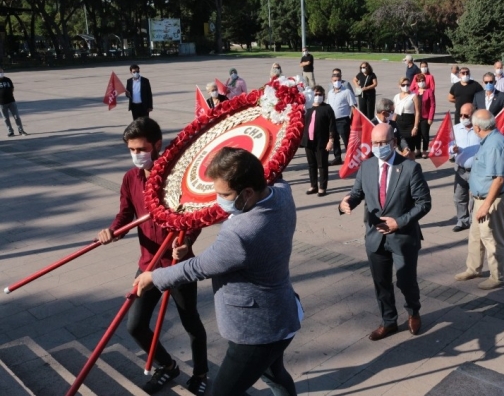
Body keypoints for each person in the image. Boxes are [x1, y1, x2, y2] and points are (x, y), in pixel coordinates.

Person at [134, 148, 302, 396]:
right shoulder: (281, 194)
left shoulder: (241, 233)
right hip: (282, 314)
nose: (219, 200)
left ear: (247, 192)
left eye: (224, 194)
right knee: (275, 375)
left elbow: (198, 267)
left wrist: (153, 277)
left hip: (256, 330)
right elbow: (275, 174)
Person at [97, 118, 208, 394]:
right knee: (135, 325)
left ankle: (201, 372)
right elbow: (125, 214)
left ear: (156, 144)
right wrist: (113, 231)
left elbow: (195, 215)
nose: (136, 154)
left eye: (140, 148)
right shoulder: (130, 178)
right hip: (148, 264)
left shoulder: (175, 176)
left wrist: (187, 242)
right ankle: (168, 366)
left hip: (179, 265)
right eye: (131, 150)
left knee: (190, 322)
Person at [338, 123, 432, 341]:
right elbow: (357, 192)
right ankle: (388, 321)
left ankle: (413, 312)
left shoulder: (410, 168)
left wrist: (399, 222)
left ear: (394, 143)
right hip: (375, 237)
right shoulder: (367, 166)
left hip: (402, 237)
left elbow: (424, 203)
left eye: (383, 143)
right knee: (381, 282)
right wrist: (346, 204)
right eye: (375, 143)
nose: (378, 147)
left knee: (406, 281)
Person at [454, 109, 504, 290]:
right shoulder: (489, 140)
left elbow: (499, 179)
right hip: (481, 198)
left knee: (492, 239)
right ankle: (474, 268)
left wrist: (486, 205)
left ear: (478, 128)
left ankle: (497, 276)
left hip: (491, 200)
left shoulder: (494, 144)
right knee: (476, 236)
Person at [449, 103, 481, 232]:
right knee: (459, 197)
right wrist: (452, 149)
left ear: (473, 115)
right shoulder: (455, 129)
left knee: (475, 197)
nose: (462, 117)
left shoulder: (480, 129)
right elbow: (448, 147)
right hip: (460, 170)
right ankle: (462, 220)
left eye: (466, 115)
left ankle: (474, 221)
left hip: (476, 170)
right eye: (460, 115)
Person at [301, 86, 335, 197]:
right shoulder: (308, 108)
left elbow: (332, 126)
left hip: (322, 141)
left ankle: (322, 187)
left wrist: (331, 140)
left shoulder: (327, 108)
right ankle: (313, 185)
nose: (318, 96)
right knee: (311, 164)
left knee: (322, 165)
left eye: (320, 94)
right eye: (315, 94)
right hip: (309, 141)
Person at [327, 71, 358, 166]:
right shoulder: (330, 92)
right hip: (332, 120)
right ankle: (337, 157)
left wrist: (353, 119)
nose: (336, 82)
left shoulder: (346, 92)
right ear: (331, 81)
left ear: (341, 80)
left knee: (346, 139)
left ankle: (351, 157)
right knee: (335, 139)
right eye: (335, 80)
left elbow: (353, 106)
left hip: (343, 119)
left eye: (338, 80)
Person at [393, 77, 421, 158]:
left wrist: (415, 127)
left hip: (409, 124)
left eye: (408, 84)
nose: (406, 86)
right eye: (403, 85)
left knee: (410, 149)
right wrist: (392, 125)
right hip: (399, 124)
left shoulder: (413, 96)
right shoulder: (396, 97)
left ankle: (412, 168)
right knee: (401, 148)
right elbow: (395, 113)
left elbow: (418, 112)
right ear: (399, 86)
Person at [0, 67, 28, 137]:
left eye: (2, 72)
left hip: (11, 101)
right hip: (2, 103)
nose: (1, 73)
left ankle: (21, 130)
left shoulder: (8, 80)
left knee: (16, 117)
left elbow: (12, 88)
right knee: (6, 118)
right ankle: (10, 131)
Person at [415, 73, 436, 159]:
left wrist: (430, 118)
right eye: (419, 81)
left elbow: (432, 105)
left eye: (423, 81)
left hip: (425, 117)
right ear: (416, 82)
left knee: (425, 134)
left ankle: (424, 150)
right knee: (417, 134)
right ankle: (418, 150)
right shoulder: (414, 92)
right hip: (416, 117)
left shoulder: (429, 91)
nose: (421, 82)